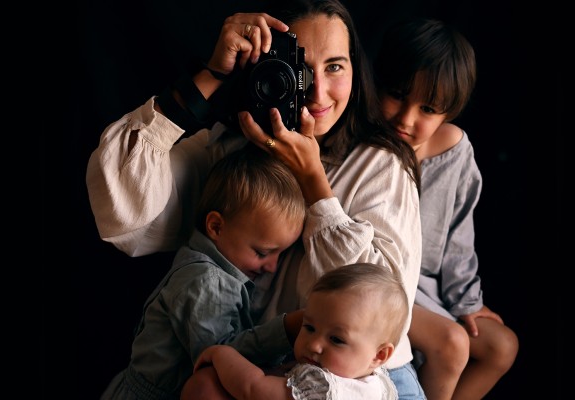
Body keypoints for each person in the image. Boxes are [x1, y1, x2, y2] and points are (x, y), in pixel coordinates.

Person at [86, 0, 424, 398]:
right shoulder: (229, 150)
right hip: (253, 377)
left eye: (334, 66)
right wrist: (211, 75)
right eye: (299, 68)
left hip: (364, 384)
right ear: (267, 68)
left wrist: (314, 180)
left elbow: (381, 313)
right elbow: (122, 217)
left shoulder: (379, 165)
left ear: (355, 70)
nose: (316, 91)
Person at [373, 18, 519, 400]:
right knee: (452, 344)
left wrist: (468, 301)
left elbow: (458, 238)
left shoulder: (455, 150)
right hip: (385, 282)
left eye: (427, 109)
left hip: (430, 289)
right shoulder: (368, 143)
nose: (406, 118)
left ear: (448, 113)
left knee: (502, 346)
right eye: (397, 94)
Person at [100, 145, 307, 399]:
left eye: (280, 255)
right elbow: (219, 357)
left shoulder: (205, 265)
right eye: (263, 252)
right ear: (216, 227)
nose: (272, 267)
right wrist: (284, 331)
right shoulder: (206, 282)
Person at [181, 263, 408, 400]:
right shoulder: (380, 386)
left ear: (379, 356)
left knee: (203, 388)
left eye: (336, 339)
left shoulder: (321, 387)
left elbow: (253, 389)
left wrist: (221, 354)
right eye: (309, 327)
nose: (314, 344)